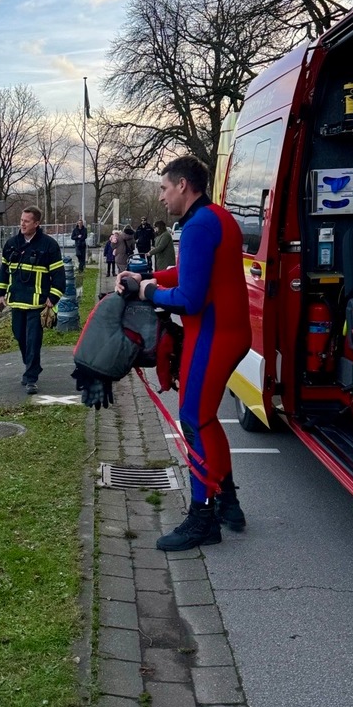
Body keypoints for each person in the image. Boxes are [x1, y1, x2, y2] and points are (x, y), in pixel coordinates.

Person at [118, 156, 251, 550]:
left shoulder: (196, 227)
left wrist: (146, 292)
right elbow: (190, 272)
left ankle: (202, 519)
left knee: (193, 421)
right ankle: (228, 503)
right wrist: (150, 277)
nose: (160, 197)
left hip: (212, 335)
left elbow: (190, 298)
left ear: (182, 186)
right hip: (229, 334)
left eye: (163, 188)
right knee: (207, 420)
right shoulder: (216, 217)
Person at [0, 207, 65, 394]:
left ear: (36, 223)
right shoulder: (11, 244)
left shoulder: (49, 245)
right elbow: (3, 271)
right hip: (17, 301)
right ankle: (32, 366)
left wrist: (53, 297)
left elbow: (58, 275)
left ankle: (30, 378)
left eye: (27, 221)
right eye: (21, 220)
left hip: (38, 303)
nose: (22, 224)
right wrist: (0, 295)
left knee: (33, 340)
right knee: (20, 336)